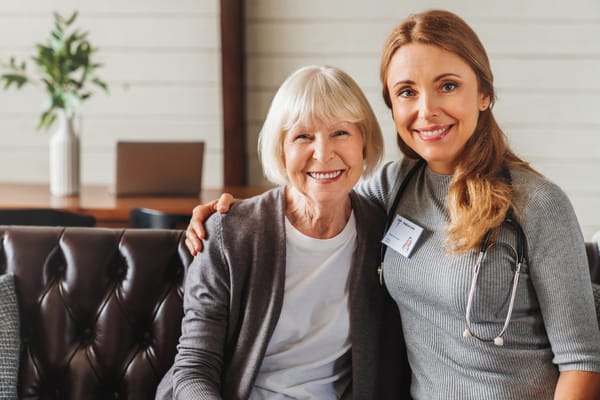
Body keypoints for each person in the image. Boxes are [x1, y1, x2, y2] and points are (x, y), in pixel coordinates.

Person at [183, 9, 600, 399]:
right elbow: (318, 193)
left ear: (485, 94)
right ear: (393, 107)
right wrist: (232, 216)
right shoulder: (394, 187)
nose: (426, 110)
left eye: (448, 86)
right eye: (407, 92)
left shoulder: (538, 204)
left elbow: (582, 363)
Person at [156, 65, 409, 399]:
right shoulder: (230, 232)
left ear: (364, 143)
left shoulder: (380, 230)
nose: (323, 153)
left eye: (341, 133)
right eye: (303, 136)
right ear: (281, 149)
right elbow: (194, 367)